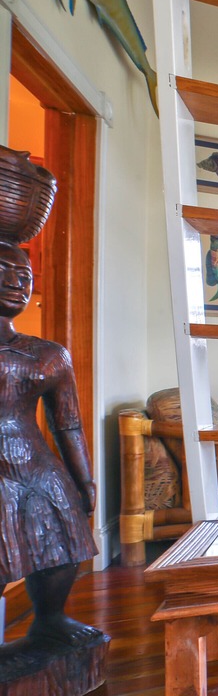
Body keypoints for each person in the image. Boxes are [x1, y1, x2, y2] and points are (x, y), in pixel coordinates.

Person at [0, 240, 99, 653]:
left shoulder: (49, 354)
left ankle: (50, 618)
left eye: (24, 276)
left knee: (62, 541)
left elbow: (68, 424)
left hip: (38, 465)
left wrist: (84, 479)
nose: (16, 283)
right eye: (3, 271)